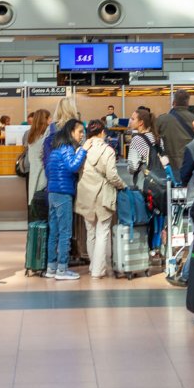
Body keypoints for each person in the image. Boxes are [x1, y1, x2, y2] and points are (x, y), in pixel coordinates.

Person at [76, 119, 127, 281]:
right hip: (103, 194)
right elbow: (112, 175)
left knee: (90, 232)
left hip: (85, 194)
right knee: (103, 231)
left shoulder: (81, 149)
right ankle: (98, 269)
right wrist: (122, 185)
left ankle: (93, 266)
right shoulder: (108, 150)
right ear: (102, 132)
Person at [45, 119, 87, 281]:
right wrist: (82, 152)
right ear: (71, 132)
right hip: (63, 194)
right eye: (80, 132)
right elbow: (72, 166)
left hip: (52, 193)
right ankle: (62, 269)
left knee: (54, 232)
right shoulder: (69, 149)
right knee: (65, 232)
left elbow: (48, 171)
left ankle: (51, 267)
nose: (82, 135)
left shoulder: (55, 149)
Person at [157, 89, 194, 171]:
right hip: (190, 161)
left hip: (170, 162)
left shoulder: (163, 119)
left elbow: (154, 137)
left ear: (173, 102)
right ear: (187, 103)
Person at [24, 108, 51, 214]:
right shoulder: (46, 137)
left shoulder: (31, 135)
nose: (51, 120)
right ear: (45, 120)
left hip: (34, 174)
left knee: (35, 207)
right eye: (49, 118)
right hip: (42, 176)